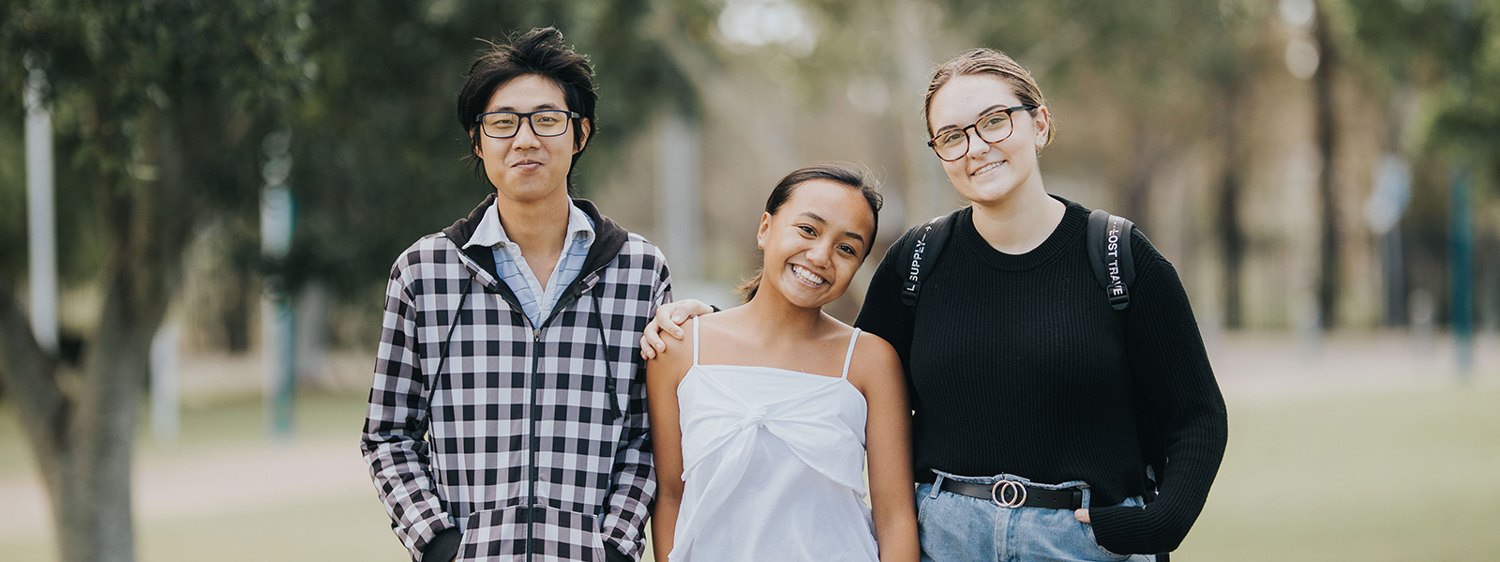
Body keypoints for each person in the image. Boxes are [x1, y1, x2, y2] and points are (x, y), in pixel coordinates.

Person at [642, 49, 1228, 561]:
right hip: (947, 540)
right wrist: (707, 324)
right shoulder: (918, 261)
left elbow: (1198, 416)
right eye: (952, 135)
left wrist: (1157, 524)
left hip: (1081, 539)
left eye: (994, 122)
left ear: (1040, 124)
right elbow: (822, 371)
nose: (977, 147)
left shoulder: (1119, 256)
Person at [362, 28, 669, 562]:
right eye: (503, 123)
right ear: (479, 143)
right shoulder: (423, 271)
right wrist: (438, 546)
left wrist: (615, 547)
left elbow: (649, 436)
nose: (525, 139)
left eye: (547, 120)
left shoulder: (639, 269)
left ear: (580, 134)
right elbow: (388, 434)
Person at [646, 164, 919, 562]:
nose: (821, 255)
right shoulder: (680, 347)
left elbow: (895, 518)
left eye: (847, 248)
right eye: (808, 230)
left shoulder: (871, 361)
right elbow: (670, 495)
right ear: (765, 228)